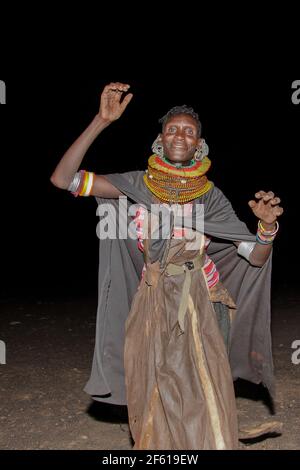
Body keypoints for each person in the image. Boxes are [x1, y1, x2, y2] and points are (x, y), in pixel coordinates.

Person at [50, 82, 283, 450]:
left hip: (203, 303)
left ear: (199, 145)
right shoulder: (137, 184)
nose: (180, 135)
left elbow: (254, 256)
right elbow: (64, 180)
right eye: (172, 129)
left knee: (204, 389)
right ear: (160, 139)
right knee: (154, 387)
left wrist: (266, 229)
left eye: (189, 132)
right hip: (154, 301)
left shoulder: (210, 197)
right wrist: (100, 121)